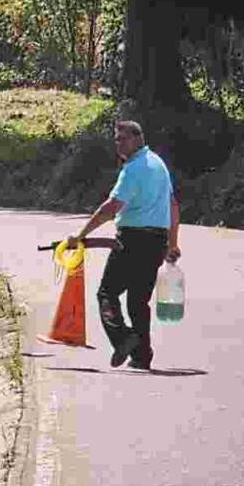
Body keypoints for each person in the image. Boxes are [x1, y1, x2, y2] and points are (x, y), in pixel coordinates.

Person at [66, 120, 180, 370]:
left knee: (107, 293)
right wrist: (171, 243)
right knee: (138, 301)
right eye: (116, 139)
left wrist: (81, 233)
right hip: (156, 242)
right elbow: (172, 205)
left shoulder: (135, 168)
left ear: (138, 138)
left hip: (133, 240)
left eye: (123, 138)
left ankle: (123, 338)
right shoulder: (158, 164)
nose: (119, 144)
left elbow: (111, 207)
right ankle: (142, 356)